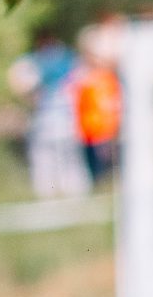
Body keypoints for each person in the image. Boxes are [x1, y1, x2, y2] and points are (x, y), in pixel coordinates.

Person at [9, 28, 85, 198]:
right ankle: (48, 193)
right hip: (43, 118)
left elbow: (79, 84)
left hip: (65, 116)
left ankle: (73, 192)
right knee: (45, 158)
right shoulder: (31, 63)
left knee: (67, 157)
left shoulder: (67, 59)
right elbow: (20, 85)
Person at [72, 15, 125, 186]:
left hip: (108, 129)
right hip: (90, 130)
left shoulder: (109, 77)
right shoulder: (81, 75)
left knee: (111, 170)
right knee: (97, 172)